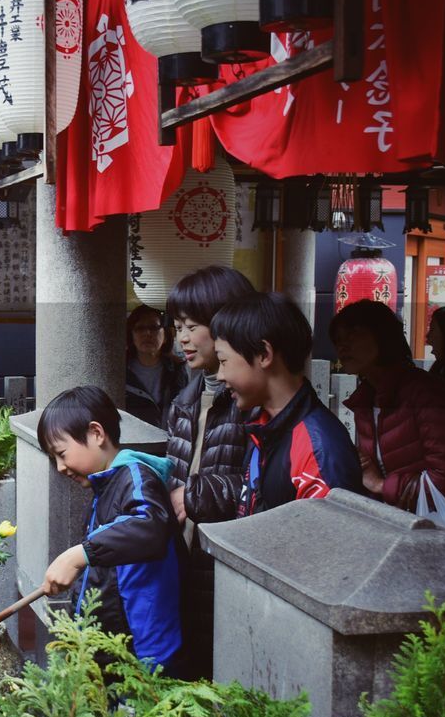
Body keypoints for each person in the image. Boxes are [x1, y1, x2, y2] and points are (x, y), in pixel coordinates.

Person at [38, 385, 182, 717]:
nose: (60, 467)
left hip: (146, 662)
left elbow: (149, 528)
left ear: (97, 433)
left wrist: (77, 553)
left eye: (62, 453)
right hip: (118, 664)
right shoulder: (107, 489)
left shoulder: (134, 477)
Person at [164, 265, 256, 680]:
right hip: (184, 557)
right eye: (177, 326)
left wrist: (196, 495)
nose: (181, 337)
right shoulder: (186, 398)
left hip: (223, 563)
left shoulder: (248, 402)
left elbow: (261, 492)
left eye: (192, 326)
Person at [211, 292, 361, 515]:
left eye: (223, 361)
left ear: (264, 354)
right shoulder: (265, 426)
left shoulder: (318, 449)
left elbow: (327, 542)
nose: (220, 375)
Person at [331, 299, 445, 514]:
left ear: (383, 335)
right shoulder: (365, 399)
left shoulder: (427, 394)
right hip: (397, 525)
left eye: (353, 334)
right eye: (337, 339)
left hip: (440, 532)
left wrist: (382, 485)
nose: (342, 346)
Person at [125, 305, 188, 430]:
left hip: (168, 440)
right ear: (131, 335)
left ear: (165, 335)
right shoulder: (121, 370)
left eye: (154, 327)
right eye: (140, 328)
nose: (147, 334)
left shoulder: (177, 369)